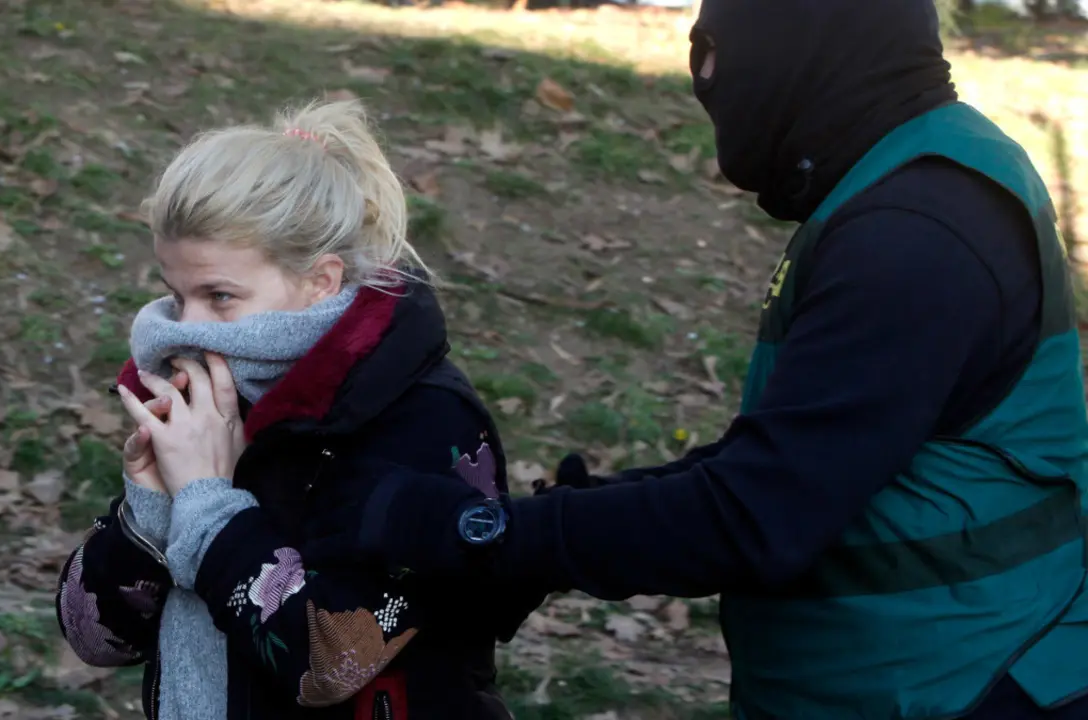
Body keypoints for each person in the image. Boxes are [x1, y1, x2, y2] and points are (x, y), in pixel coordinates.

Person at [308, 1, 1088, 718]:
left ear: (807, 44)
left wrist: (474, 532)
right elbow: (805, 458)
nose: (707, 83)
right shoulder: (921, 170)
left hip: (963, 684)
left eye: (715, 54)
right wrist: (560, 525)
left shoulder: (915, 235)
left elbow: (756, 516)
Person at [54, 99, 538, 720]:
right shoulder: (210, 398)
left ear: (321, 280)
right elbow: (95, 639)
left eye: (220, 297)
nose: (188, 327)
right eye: (177, 297)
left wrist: (206, 502)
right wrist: (146, 512)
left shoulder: (424, 420)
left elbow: (330, 659)